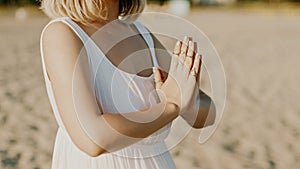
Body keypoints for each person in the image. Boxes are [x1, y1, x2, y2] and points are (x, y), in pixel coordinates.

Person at [39, 0, 216, 168]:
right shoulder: (63, 33)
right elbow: (92, 139)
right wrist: (171, 107)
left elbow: (208, 115)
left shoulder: (142, 34)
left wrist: (187, 101)